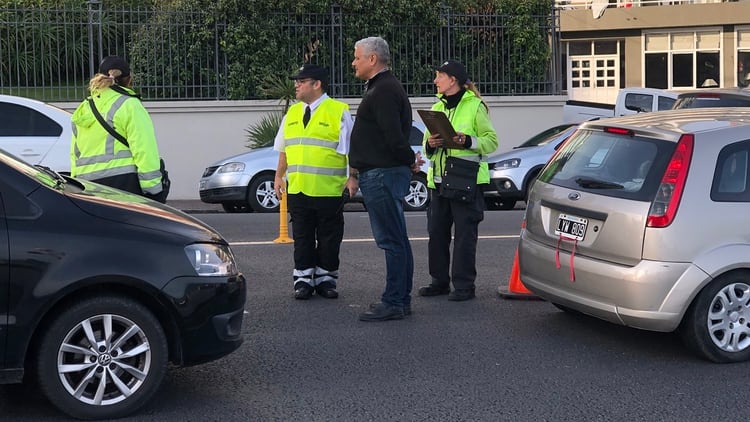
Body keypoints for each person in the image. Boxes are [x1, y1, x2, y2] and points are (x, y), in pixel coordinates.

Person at [349, 36, 419, 322]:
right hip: (382, 173)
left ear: (372, 59)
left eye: (356, 57)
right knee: (397, 239)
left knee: (391, 240)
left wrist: (409, 159)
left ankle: (393, 301)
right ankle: (400, 300)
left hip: (382, 175)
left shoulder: (384, 91)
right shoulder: (382, 88)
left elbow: (393, 136)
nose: (353, 62)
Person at [273, 64, 356, 300]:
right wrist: (279, 176)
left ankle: (326, 279)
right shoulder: (292, 114)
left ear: (316, 84)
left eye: (301, 81)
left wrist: (353, 177)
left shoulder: (338, 111)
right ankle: (303, 279)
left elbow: (351, 149)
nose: (296, 85)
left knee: (329, 238)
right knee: (302, 237)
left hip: (329, 189)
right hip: (299, 188)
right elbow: (284, 149)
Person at [418, 60, 498, 301]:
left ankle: (464, 286)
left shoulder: (475, 106)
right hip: (439, 182)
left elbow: (491, 141)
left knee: (464, 235)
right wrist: (430, 145)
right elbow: (425, 146)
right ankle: (439, 282)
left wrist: (467, 141)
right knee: (437, 233)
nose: (435, 81)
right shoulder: (436, 108)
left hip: (466, 181)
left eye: (439, 76)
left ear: (452, 79)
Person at [71, 55, 166, 202]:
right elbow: (144, 149)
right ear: (129, 80)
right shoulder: (130, 105)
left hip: (88, 187)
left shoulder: (83, 109)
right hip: (123, 185)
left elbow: (75, 155)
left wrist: (77, 187)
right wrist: (153, 190)